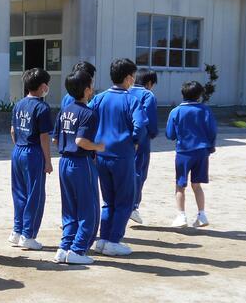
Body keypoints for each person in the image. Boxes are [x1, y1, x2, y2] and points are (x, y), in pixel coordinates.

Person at [88, 58, 148, 256]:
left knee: (108, 200)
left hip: (101, 154)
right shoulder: (132, 100)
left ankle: (103, 239)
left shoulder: (99, 98)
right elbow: (140, 125)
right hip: (122, 155)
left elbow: (88, 119)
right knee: (124, 200)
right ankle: (114, 241)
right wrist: (134, 141)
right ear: (129, 78)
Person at [53, 69, 105, 265]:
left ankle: (64, 247)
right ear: (86, 89)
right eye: (91, 84)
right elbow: (81, 141)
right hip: (81, 163)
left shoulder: (64, 110)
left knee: (69, 209)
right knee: (88, 209)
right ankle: (77, 250)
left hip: (64, 162)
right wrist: (98, 147)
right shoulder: (89, 113)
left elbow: (55, 139)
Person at [8, 68, 54, 250]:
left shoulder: (19, 104)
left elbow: (13, 130)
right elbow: (44, 137)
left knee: (19, 193)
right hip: (33, 152)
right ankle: (28, 235)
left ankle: (17, 231)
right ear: (43, 87)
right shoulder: (42, 108)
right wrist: (48, 161)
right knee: (35, 195)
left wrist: (19, 146)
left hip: (18, 150)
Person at [166, 81, 217, 228]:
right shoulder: (205, 110)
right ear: (199, 95)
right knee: (197, 185)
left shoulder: (176, 111)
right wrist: (210, 147)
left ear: (183, 94)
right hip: (202, 151)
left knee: (180, 185)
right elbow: (212, 131)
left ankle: (181, 216)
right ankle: (202, 214)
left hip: (184, 151)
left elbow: (170, 134)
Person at [128, 69, 159, 224]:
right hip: (141, 140)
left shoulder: (126, 91)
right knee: (139, 172)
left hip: (122, 138)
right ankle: (133, 206)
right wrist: (152, 133)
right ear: (149, 83)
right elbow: (149, 119)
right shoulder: (148, 95)